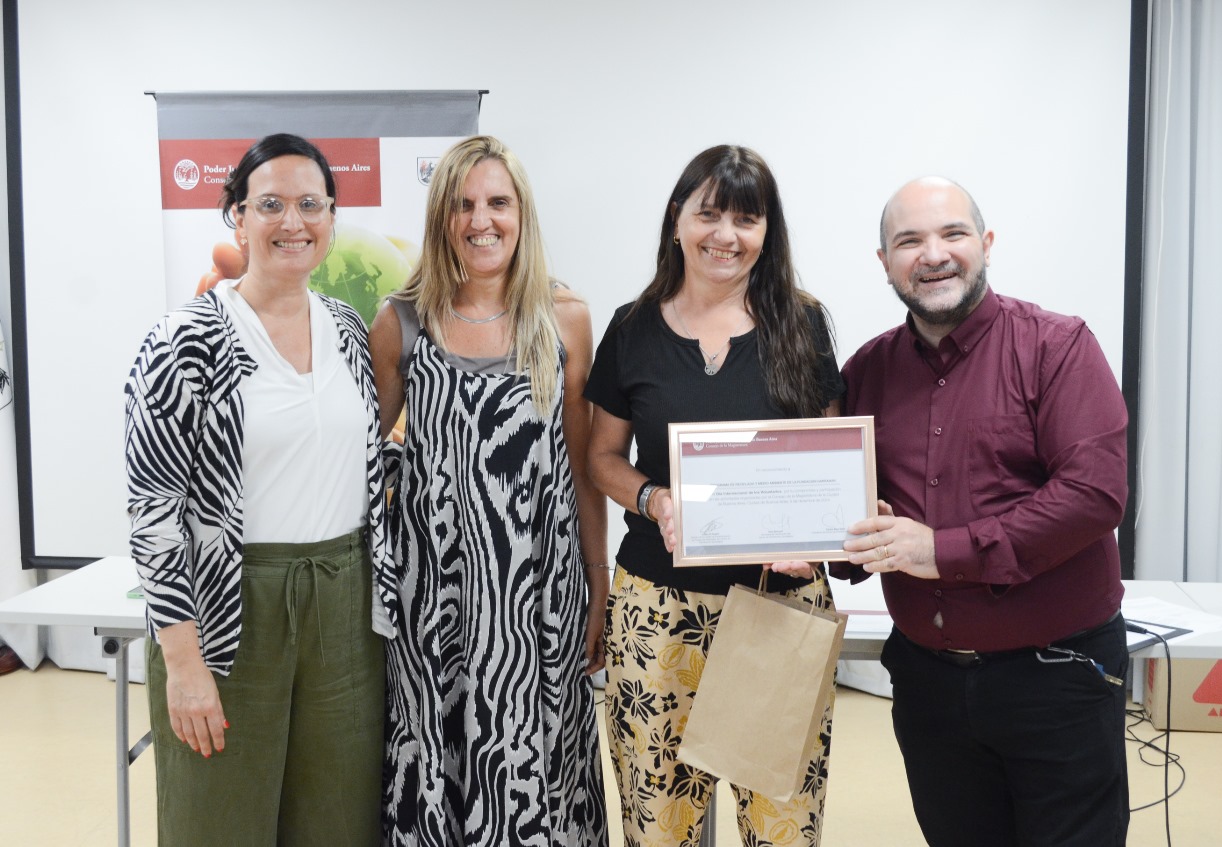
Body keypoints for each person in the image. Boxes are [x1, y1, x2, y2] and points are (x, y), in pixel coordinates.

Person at [835, 176, 1130, 847]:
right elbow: (844, 507)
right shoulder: (865, 372)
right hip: (927, 682)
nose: (933, 253)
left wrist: (938, 549)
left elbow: (1093, 494)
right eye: (909, 240)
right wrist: (827, 532)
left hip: (1057, 678)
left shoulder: (1057, 347)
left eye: (952, 233)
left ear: (986, 244)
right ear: (884, 262)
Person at [125, 133, 394, 846]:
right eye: (270, 204)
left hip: (345, 608)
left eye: (311, 204)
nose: (292, 222)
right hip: (226, 611)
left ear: (332, 219)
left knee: (338, 816)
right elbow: (154, 513)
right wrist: (183, 665)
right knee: (219, 814)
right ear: (236, 218)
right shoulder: (184, 341)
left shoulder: (346, 328)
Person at [585, 144, 845, 847]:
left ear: (768, 234)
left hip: (779, 606)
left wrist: (818, 538)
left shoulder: (804, 324)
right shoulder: (631, 328)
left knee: (781, 821)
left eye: (746, 219)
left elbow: (830, 466)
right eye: (709, 213)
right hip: (656, 613)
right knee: (659, 819)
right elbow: (601, 456)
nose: (725, 235)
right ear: (677, 220)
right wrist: (653, 499)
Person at [369, 135, 607, 846]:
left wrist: (599, 580)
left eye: (498, 202)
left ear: (521, 212)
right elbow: (365, 466)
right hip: (433, 598)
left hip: (538, 595)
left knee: (539, 759)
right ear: (442, 217)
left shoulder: (564, 317)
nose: (482, 220)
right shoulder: (400, 321)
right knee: (435, 759)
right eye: (463, 204)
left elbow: (581, 462)